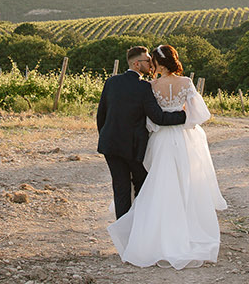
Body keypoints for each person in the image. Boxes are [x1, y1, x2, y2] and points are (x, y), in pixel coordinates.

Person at [107, 43, 227, 269]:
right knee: (187, 184)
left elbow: (151, 118)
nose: (151, 65)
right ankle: (189, 233)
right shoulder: (187, 83)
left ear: (158, 63)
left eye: (152, 61)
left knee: (161, 185)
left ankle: (155, 237)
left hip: (161, 139)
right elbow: (200, 114)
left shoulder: (151, 86)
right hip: (184, 139)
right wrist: (185, 120)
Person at [96, 45, 188, 219]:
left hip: (110, 145)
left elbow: (101, 115)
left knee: (121, 190)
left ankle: (124, 234)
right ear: (137, 64)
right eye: (148, 60)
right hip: (133, 148)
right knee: (143, 187)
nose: (151, 64)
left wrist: (106, 136)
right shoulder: (144, 87)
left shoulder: (111, 82)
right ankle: (140, 227)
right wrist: (184, 116)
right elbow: (158, 118)